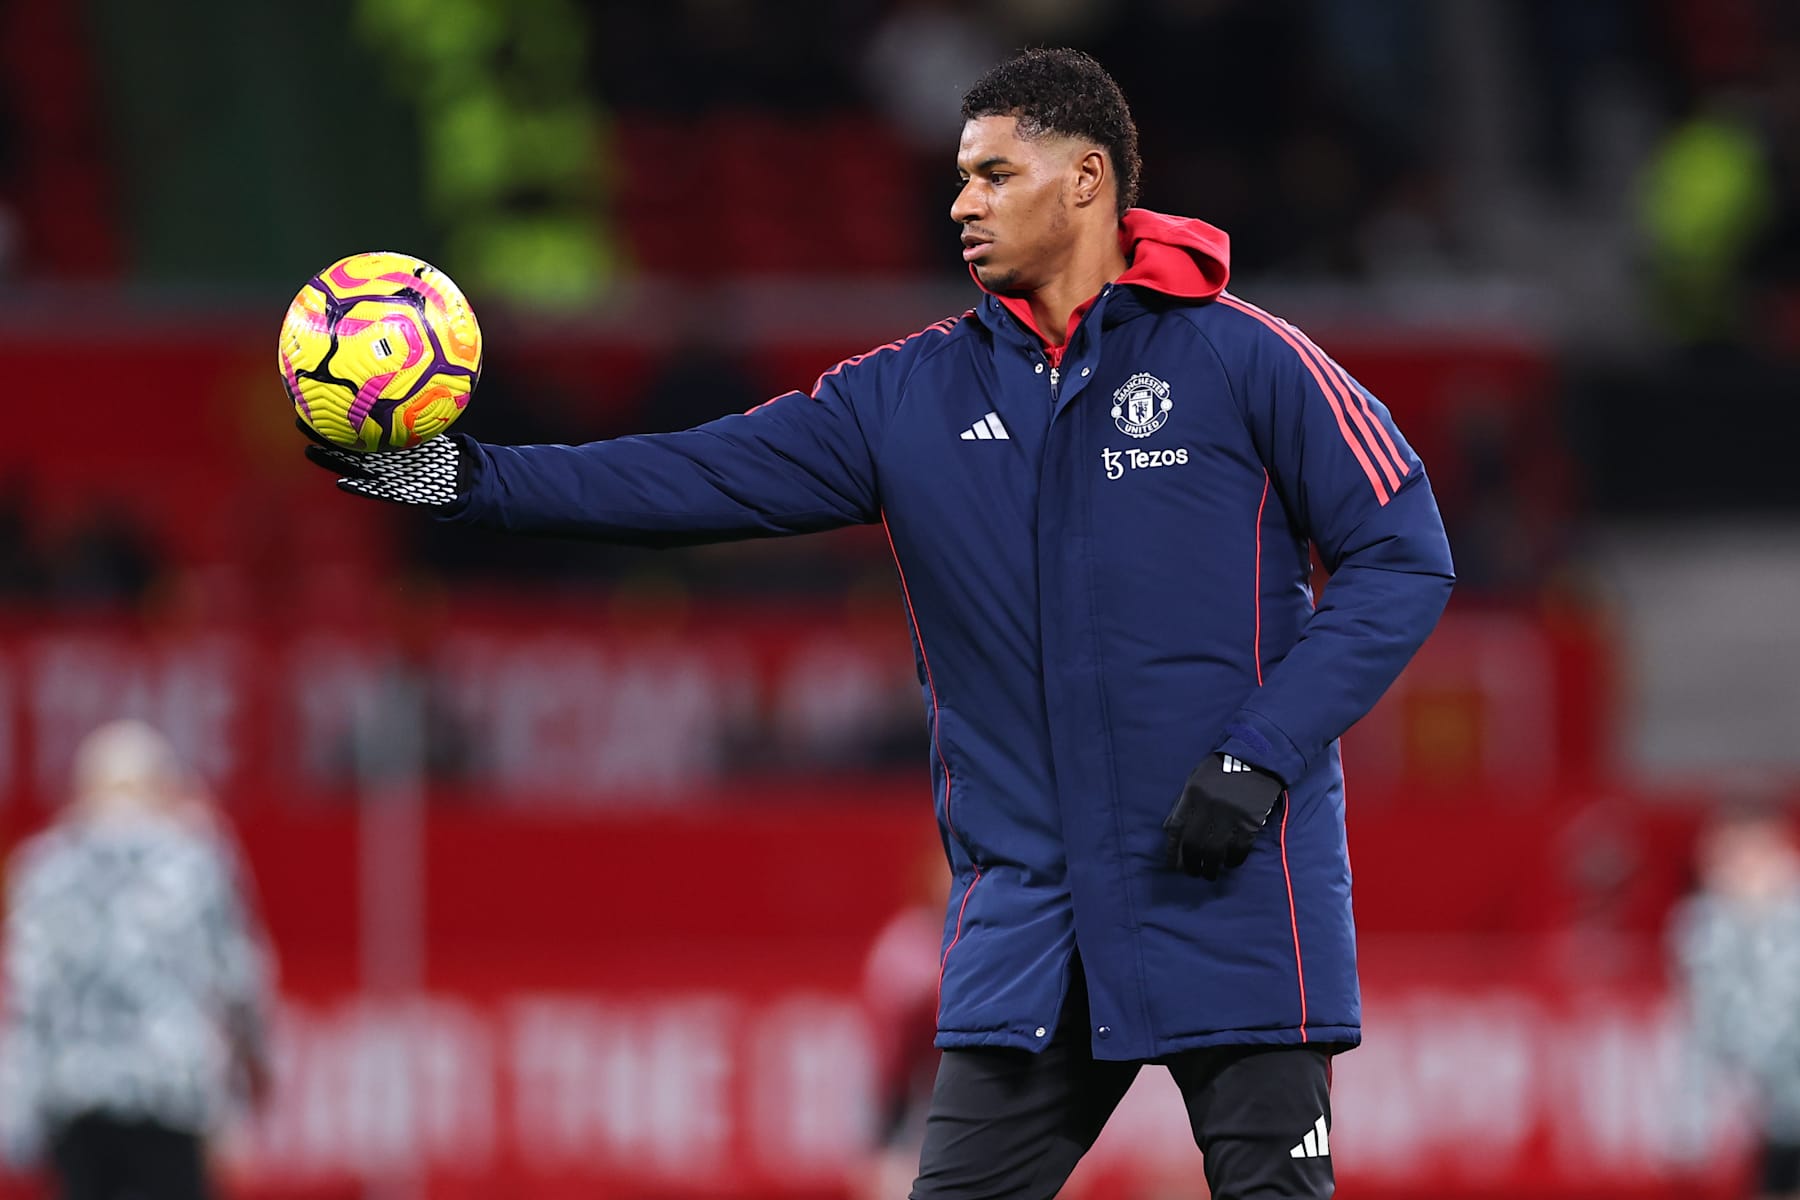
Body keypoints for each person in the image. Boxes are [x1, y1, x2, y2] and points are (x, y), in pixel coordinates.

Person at [303, 47, 1454, 1200]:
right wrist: (467, 480)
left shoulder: (1246, 359)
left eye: (995, 175)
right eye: (959, 177)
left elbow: (1404, 554)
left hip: (1233, 898)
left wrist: (1260, 752)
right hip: (1034, 928)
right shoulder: (906, 398)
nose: (962, 203)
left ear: (1087, 180)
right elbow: (689, 477)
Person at [0, 720, 274, 1200]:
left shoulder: (43, 867)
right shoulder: (195, 858)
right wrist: (256, 1074)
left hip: (74, 1093)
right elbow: (239, 979)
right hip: (171, 1089)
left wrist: (17, 1108)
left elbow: (29, 994)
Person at [1671, 804, 1800, 1200]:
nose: (1738, 872)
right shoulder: (1703, 928)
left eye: (1750, 856)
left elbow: (1771, 1023)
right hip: (1780, 1112)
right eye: (1725, 859)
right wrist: (1690, 1122)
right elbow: (1705, 1028)